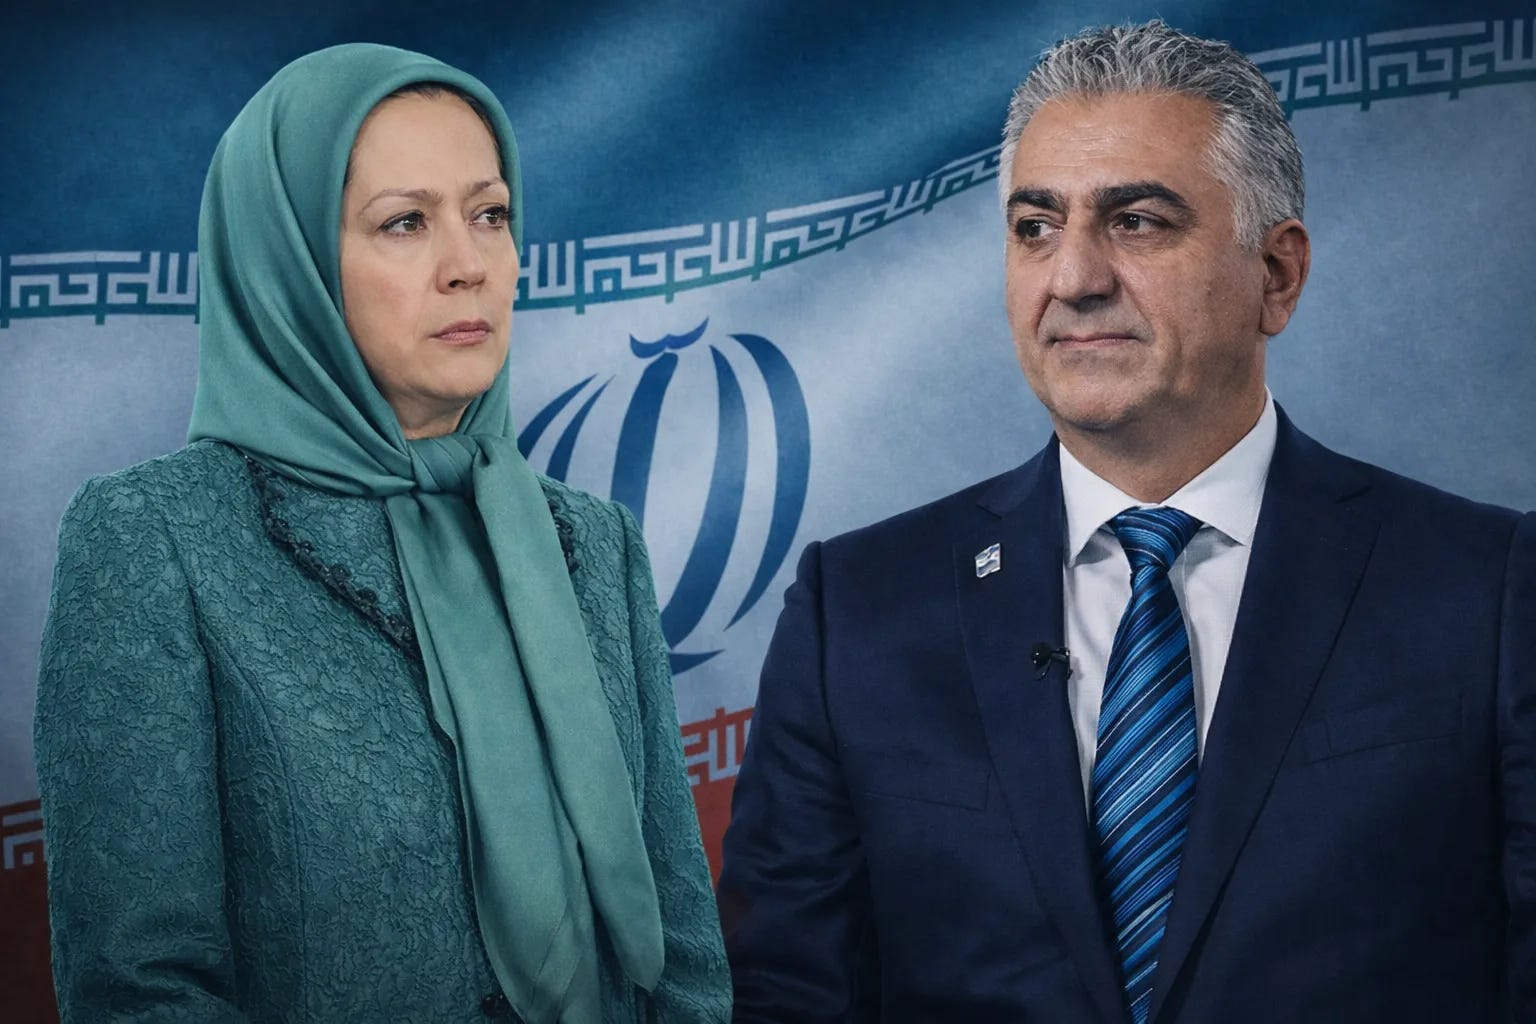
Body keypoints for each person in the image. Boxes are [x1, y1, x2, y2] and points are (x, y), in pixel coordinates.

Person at [718, 20, 1534, 1024]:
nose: (1073, 278)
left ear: (1276, 274)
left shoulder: (1489, 588)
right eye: (1035, 227)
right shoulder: (856, 610)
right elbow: (785, 994)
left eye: (1137, 221)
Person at [34, 43, 730, 1024]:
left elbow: (685, 949)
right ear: (290, 265)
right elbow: (140, 990)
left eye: (490, 215)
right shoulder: (156, 540)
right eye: (405, 222)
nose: (469, 266)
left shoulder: (593, 542)